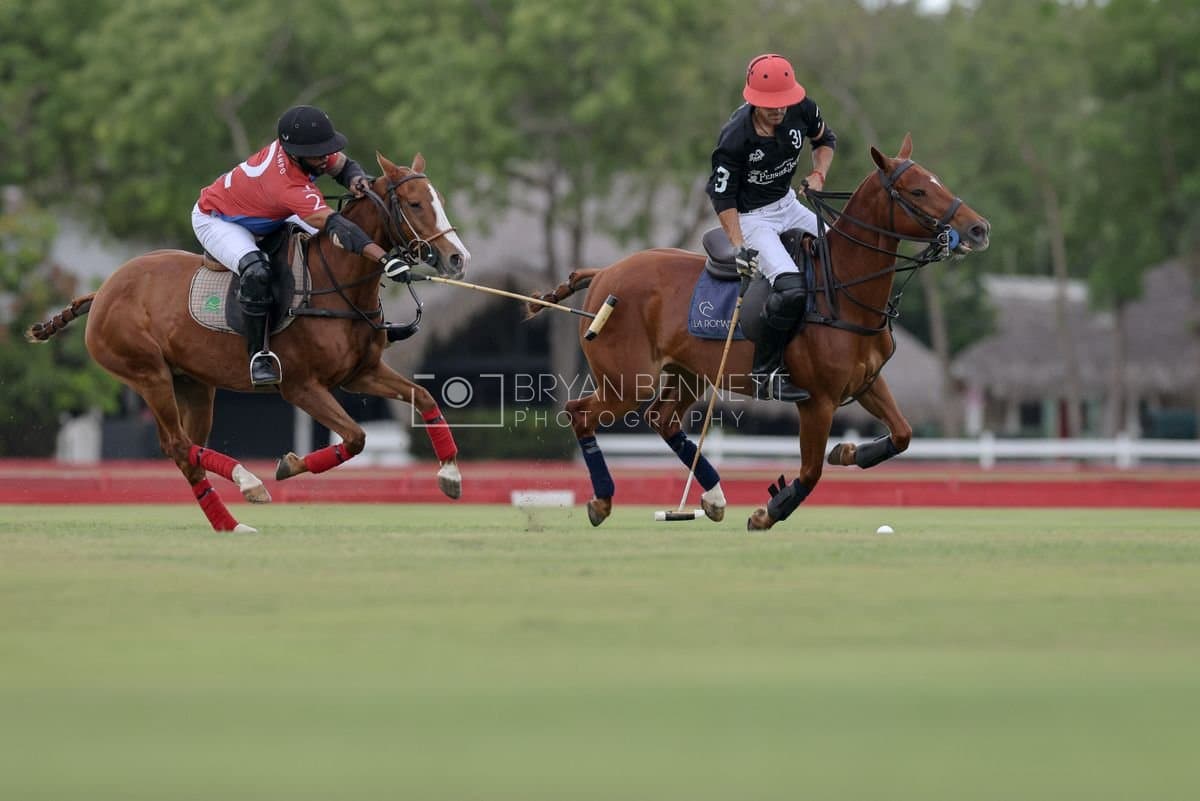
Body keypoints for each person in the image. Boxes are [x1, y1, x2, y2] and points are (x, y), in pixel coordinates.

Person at [192, 105, 411, 387]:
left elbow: (344, 165)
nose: (325, 157)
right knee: (257, 271)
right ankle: (258, 354)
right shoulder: (286, 184)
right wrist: (385, 259)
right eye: (319, 153)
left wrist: (356, 179)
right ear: (295, 153)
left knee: (336, 254)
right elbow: (339, 228)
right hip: (219, 220)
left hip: (268, 211)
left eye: (326, 149)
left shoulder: (307, 153)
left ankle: (369, 323)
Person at [705, 53, 838, 402]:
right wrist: (739, 245)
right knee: (791, 289)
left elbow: (825, 141)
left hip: (789, 206)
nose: (780, 110)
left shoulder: (803, 108)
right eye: (771, 105)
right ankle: (765, 373)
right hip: (753, 219)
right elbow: (723, 198)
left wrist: (817, 174)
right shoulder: (735, 136)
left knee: (844, 251)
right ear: (754, 100)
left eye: (784, 102)